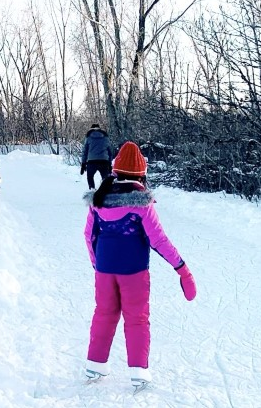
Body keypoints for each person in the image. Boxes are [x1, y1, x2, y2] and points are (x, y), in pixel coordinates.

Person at [82, 141, 197, 390]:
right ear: (141, 174)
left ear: (115, 171)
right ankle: (138, 371)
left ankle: (95, 364)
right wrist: (182, 268)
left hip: (104, 270)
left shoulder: (98, 202)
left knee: (103, 314)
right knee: (137, 318)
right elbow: (158, 240)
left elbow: (89, 235)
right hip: (134, 272)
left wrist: (97, 264)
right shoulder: (141, 205)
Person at [80, 123, 113, 189]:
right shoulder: (105, 138)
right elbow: (110, 152)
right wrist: (110, 164)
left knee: (90, 177)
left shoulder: (88, 138)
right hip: (104, 161)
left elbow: (85, 152)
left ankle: (92, 190)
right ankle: (105, 193)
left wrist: (83, 164)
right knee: (105, 179)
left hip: (92, 162)